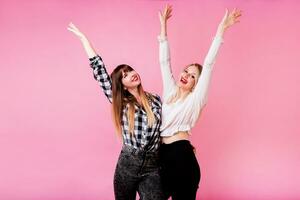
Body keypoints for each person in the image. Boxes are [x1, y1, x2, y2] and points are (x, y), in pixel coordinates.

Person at [68, 23, 164, 200]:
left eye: (130, 70)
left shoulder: (156, 99)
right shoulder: (122, 103)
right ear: (123, 86)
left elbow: (165, 131)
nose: (131, 74)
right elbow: (100, 71)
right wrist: (84, 40)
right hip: (128, 163)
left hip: (153, 165)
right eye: (125, 75)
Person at [157, 5, 242, 200]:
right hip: (162, 156)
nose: (186, 75)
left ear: (197, 84)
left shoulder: (196, 99)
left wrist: (221, 29)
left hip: (182, 158)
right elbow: (164, 62)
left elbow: (210, 63)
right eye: (186, 71)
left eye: (193, 76)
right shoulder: (170, 92)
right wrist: (163, 28)